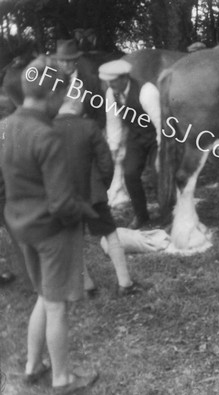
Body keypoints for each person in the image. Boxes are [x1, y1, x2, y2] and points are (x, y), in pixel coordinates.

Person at [0, 60, 98, 394]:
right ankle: (63, 379)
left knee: (43, 296)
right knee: (57, 306)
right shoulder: (47, 135)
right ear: (52, 94)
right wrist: (85, 210)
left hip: (21, 226)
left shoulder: (6, 126)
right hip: (52, 232)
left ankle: (32, 365)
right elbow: (61, 204)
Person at [54, 98, 143, 297]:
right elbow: (105, 162)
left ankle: (87, 286)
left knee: (73, 240)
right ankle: (125, 283)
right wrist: (103, 185)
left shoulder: (48, 129)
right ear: (76, 106)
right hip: (93, 194)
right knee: (110, 234)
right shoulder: (88, 126)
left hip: (65, 195)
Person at [99, 59, 161, 229]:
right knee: (130, 174)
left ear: (124, 78)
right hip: (135, 137)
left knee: (158, 174)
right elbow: (113, 123)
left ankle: (167, 214)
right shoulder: (111, 94)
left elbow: (160, 123)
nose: (110, 85)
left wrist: (162, 152)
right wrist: (113, 149)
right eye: (108, 82)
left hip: (156, 136)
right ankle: (142, 215)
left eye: (113, 81)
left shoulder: (146, 91)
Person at [52, 39, 105, 126]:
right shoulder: (52, 82)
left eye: (69, 61)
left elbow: (101, 110)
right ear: (57, 61)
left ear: (76, 60)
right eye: (62, 61)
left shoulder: (91, 81)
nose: (65, 64)